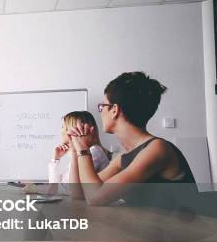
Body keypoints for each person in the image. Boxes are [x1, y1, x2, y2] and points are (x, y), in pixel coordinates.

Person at [67, 72, 196, 208]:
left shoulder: (157, 149)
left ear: (114, 110)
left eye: (102, 106)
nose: (101, 112)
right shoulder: (124, 158)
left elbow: (95, 198)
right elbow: (79, 194)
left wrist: (83, 149)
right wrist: (76, 151)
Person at [48, 111, 110, 185]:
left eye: (63, 127)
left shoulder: (94, 152)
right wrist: (55, 159)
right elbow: (54, 187)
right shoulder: (80, 153)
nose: (62, 131)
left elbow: (68, 188)